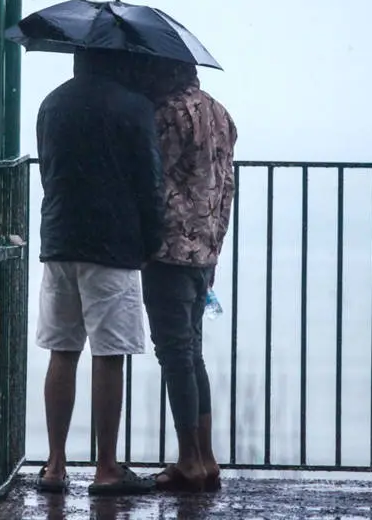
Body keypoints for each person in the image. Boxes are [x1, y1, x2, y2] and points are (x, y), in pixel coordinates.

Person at [33, 48, 164, 496]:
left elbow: (49, 173)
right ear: (119, 60)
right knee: (109, 354)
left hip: (60, 240)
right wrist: (151, 242)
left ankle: (55, 465)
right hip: (112, 245)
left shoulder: (51, 103)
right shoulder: (133, 107)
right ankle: (106, 467)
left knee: (62, 350)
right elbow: (149, 182)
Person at [137, 58, 237, 492]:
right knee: (191, 353)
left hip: (169, 251)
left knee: (174, 354)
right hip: (205, 250)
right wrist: (215, 244)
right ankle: (206, 457)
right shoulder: (220, 113)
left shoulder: (167, 115)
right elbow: (226, 186)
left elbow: (151, 180)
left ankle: (189, 461)